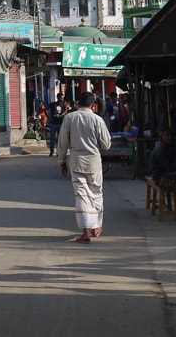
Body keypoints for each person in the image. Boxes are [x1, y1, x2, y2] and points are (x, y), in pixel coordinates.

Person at [57, 92, 112, 243]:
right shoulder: (97, 119)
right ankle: (96, 226)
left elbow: (62, 143)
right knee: (96, 194)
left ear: (77, 103)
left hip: (76, 163)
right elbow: (106, 144)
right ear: (93, 105)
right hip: (94, 163)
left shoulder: (69, 118)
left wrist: (61, 161)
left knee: (81, 197)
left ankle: (85, 233)